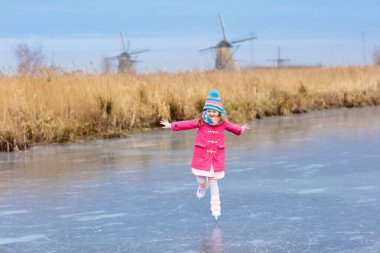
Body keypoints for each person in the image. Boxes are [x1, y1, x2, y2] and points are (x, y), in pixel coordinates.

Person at [160, 89, 250, 220]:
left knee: (214, 182)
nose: (211, 113)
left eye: (214, 111)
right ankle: (202, 186)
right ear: (205, 111)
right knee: (200, 178)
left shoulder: (223, 122)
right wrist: (171, 125)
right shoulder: (201, 121)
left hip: (216, 158)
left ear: (219, 112)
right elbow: (187, 124)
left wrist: (241, 128)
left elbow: (233, 127)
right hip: (202, 157)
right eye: (209, 111)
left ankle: (216, 207)